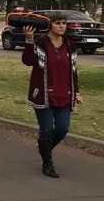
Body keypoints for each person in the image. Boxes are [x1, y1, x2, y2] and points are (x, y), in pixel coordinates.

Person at [22, 14, 83, 178]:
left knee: (62, 128)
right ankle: (47, 163)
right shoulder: (41, 44)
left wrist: (76, 91)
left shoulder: (70, 46)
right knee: (47, 129)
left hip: (64, 94)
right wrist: (29, 41)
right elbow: (27, 61)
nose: (62, 26)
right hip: (43, 94)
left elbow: (74, 72)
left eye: (64, 23)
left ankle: (43, 146)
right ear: (50, 25)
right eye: (58, 23)